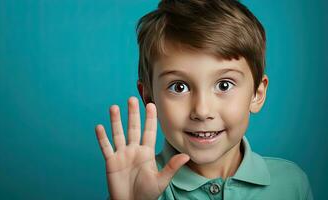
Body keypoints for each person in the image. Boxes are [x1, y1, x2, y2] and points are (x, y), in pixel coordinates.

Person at [94, 0, 313, 199]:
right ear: (149, 98)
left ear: (257, 94)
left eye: (224, 85)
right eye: (179, 87)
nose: (202, 110)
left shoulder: (291, 184)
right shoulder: (139, 189)